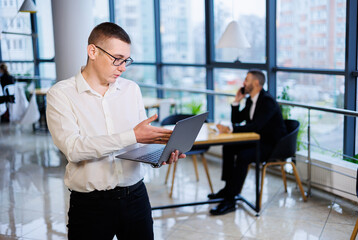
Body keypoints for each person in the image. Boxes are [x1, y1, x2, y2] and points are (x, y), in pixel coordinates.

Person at [46, 22, 185, 240]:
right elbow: (73, 149)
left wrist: (161, 152)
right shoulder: (61, 94)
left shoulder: (131, 90)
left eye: (126, 60)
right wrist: (132, 135)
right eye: (117, 59)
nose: (123, 67)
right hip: (90, 205)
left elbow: (138, 142)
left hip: (136, 197)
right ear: (92, 51)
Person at [208, 69, 287, 216]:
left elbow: (256, 126)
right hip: (256, 141)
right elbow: (237, 120)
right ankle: (228, 189)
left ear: (256, 83)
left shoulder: (267, 101)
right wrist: (237, 101)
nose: (243, 83)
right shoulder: (251, 99)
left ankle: (230, 200)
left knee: (244, 156)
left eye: (246, 80)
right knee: (229, 147)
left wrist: (230, 130)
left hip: (272, 146)